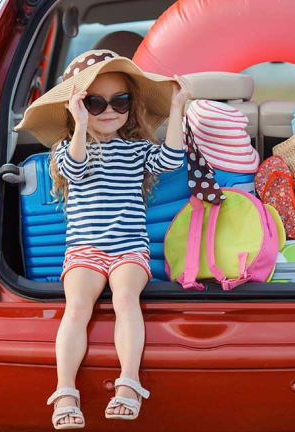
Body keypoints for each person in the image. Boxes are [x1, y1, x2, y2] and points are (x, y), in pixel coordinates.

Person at [14, 49, 190, 430]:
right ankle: (65, 391)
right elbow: (74, 170)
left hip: (129, 247)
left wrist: (177, 110)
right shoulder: (66, 149)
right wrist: (79, 124)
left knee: (127, 299)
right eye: (95, 103)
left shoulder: (137, 150)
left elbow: (172, 161)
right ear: (78, 107)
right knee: (77, 306)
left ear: (132, 104)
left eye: (120, 101)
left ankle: (129, 384)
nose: (109, 110)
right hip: (85, 250)